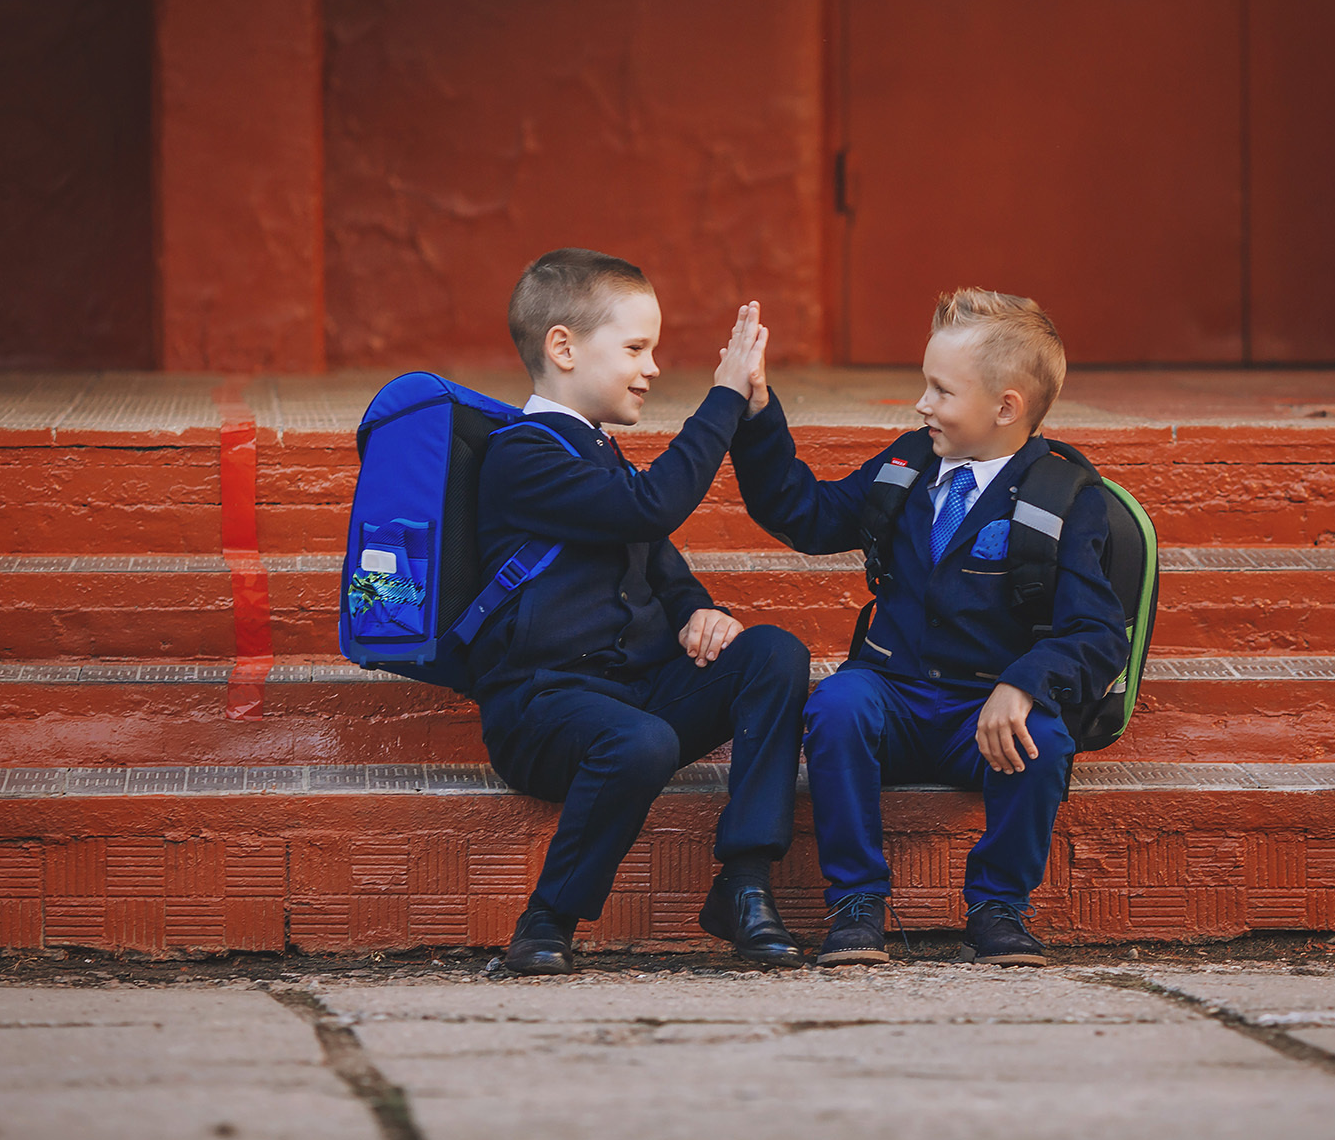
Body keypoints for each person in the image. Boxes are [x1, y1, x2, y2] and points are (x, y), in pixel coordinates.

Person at [730, 289, 1127, 966]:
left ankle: (998, 905)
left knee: (1044, 739)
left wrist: (1024, 683)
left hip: (986, 712)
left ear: (1006, 407)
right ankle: (857, 901)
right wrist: (758, 413)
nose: (922, 404)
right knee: (837, 705)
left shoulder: (1065, 499)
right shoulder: (907, 467)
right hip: (894, 694)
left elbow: (1098, 633)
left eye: (941, 390)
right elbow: (806, 514)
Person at [471, 248, 810, 975]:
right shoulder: (522, 456)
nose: (653, 368)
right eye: (635, 348)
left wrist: (699, 613)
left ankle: (745, 882)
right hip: (543, 711)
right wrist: (724, 397)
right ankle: (546, 920)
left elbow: (662, 567)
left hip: (633, 697)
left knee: (773, 654)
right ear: (563, 347)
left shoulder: (603, 456)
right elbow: (651, 507)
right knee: (641, 740)